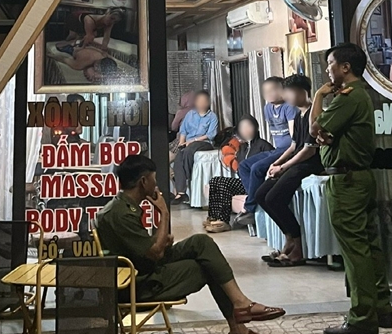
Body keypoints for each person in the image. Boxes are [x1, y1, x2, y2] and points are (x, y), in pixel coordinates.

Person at [96, 155, 285, 334]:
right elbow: (155, 253)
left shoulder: (120, 206)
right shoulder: (121, 214)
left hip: (142, 267)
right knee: (209, 267)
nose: (156, 184)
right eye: (154, 179)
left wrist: (160, 241)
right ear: (143, 182)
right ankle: (239, 320)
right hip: (138, 284)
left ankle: (240, 305)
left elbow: (141, 247)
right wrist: (164, 212)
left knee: (201, 242)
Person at [309, 43, 392, 334]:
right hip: (360, 178)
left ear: (345, 67)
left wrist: (319, 96)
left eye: (330, 64)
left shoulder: (348, 97)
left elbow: (315, 128)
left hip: (346, 181)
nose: (327, 70)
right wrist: (325, 135)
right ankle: (381, 309)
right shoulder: (359, 95)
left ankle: (362, 317)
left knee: (355, 250)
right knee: (369, 246)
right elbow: (325, 135)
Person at [255, 74, 323, 267]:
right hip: (296, 162)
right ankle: (289, 239)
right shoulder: (298, 114)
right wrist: (276, 163)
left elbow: (309, 150)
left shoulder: (312, 114)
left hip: (309, 163)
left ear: (302, 92)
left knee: (273, 198)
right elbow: (294, 145)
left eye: (289, 92)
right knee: (261, 195)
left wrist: (283, 167)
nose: (285, 96)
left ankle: (297, 247)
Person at [233, 77, 297, 226]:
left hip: (289, 150)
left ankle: (250, 209)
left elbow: (295, 138)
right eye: (266, 91)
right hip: (278, 149)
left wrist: (283, 158)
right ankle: (254, 202)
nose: (269, 93)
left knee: (257, 168)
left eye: (273, 89)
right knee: (244, 166)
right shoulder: (267, 108)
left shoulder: (289, 107)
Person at [204, 115, 273, 233]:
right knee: (216, 180)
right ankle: (214, 217)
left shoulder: (264, 146)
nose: (245, 130)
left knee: (224, 185)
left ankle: (223, 221)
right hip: (243, 182)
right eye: (242, 127)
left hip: (256, 184)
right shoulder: (242, 147)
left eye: (248, 126)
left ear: (256, 128)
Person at [172, 90, 219, 204]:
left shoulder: (212, 116)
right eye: (199, 101)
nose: (201, 103)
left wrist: (193, 140)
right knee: (179, 157)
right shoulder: (190, 114)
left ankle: (187, 177)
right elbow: (183, 130)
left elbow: (211, 135)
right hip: (188, 143)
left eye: (204, 101)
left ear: (208, 102)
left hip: (204, 143)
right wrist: (181, 143)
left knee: (189, 150)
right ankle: (181, 193)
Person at [59, 8, 126, 51]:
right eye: (111, 18)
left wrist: (104, 48)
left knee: (89, 36)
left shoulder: (110, 23)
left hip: (90, 20)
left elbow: (106, 37)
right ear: (107, 13)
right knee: (73, 35)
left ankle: (75, 44)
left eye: (115, 21)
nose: (112, 22)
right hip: (75, 17)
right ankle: (62, 45)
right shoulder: (90, 20)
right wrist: (81, 49)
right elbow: (89, 36)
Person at [51, 42, 119, 84]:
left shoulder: (105, 56)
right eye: (97, 66)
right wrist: (51, 55)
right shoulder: (80, 65)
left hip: (86, 48)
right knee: (59, 46)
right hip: (75, 51)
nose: (95, 67)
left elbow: (103, 53)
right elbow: (63, 59)